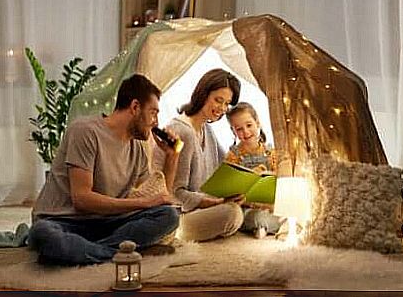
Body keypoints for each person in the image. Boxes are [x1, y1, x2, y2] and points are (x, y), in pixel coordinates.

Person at [28, 74, 180, 265]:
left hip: (106, 223)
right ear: (135, 107)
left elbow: (158, 195)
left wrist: (172, 157)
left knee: (168, 216)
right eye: (153, 112)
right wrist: (144, 203)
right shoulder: (85, 131)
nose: (155, 122)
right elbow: (82, 199)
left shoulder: (139, 147)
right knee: (44, 235)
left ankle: (89, 252)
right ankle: (115, 252)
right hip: (64, 221)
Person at [152, 68, 244, 242]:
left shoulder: (205, 128)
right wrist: (215, 203)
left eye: (227, 104)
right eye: (218, 100)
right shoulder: (182, 130)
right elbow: (176, 193)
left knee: (239, 210)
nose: (222, 109)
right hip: (176, 214)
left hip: (199, 209)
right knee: (231, 214)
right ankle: (173, 236)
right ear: (203, 94)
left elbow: (226, 167)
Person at [225, 102, 282, 239]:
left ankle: (266, 226)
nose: (245, 132)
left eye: (249, 125)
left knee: (286, 215)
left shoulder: (271, 153)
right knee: (254, 218)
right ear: (234, 131)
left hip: (270, 206)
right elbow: (230, 189)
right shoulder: (233, 156)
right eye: (239, 129)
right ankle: (263, 226)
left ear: (258, 123)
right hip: (247, 209)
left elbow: (280, 180)